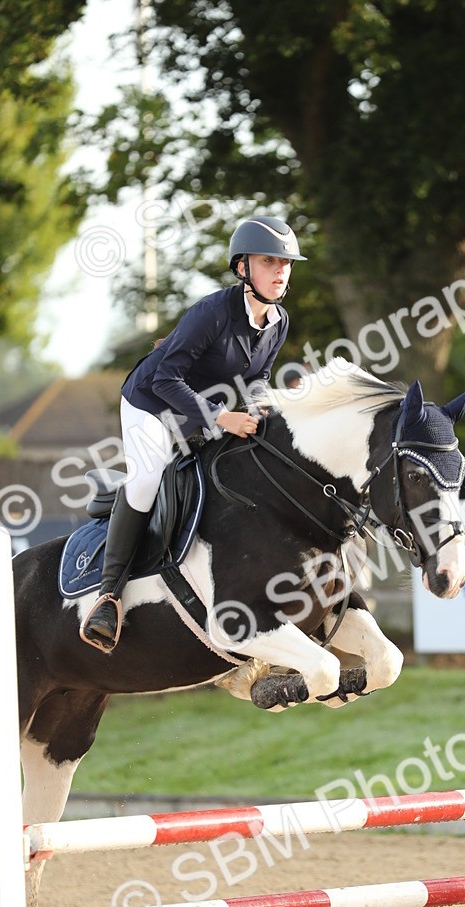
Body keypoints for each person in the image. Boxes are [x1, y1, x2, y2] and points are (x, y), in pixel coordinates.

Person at [79, 213, 306, 653]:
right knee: (148, 478)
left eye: (287, 263)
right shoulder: (210, 313)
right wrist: (223, 418)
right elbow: (166, 380)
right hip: (151, 402)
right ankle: (108, 595)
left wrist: (260, 405)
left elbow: (258, 376)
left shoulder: (279, 321)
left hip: (201, 410)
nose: (281, 271)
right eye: (269, 261)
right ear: (242, 268)